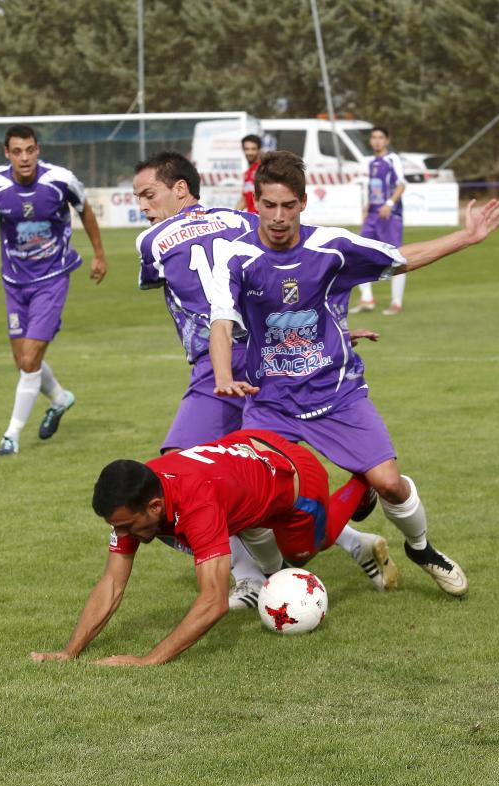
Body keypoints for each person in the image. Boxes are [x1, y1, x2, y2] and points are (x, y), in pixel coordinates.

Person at [209, 150, 499, 597]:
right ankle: (271, 582)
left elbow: (399, 257)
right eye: (269, 205)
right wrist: (224, 373)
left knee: (391, 484)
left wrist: (466, 237)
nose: (279, 216)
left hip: (336, 392)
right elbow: (221, 322)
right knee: (256, 502)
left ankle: (421, 548)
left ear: (303, 203)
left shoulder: (331, 247)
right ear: (255, 203)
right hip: (270, 404)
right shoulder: (235, 256)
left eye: (288, 205)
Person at [133, 151, 397, 609]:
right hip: (270, 360)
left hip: (217, 369)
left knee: (178, 478)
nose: (143, 205)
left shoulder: (152, 240)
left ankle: (255, 580)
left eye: (148, 194)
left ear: (181, 189)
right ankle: (352, 542)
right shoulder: (243, 221)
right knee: (256, 485)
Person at [29, 428, 377, 666]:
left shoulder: (198, 506)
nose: (122, 534)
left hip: (296, 477)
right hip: (246, 455)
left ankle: (362, 484)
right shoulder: (141, 495)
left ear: (152, 506)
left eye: (125, 526)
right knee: (231, 531)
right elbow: (112, 583)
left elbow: (213, 603)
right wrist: (69, 652)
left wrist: (150, 660)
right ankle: (257, 575)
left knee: (302, 553)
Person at [0, 124, 107, 455]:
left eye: (30, 150)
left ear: (38, 150)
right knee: (23, 361)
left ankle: (11, 435)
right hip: (14, 282)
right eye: (17, 151)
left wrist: (98, 254)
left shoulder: (60, 180)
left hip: (52, 278)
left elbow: (86, 212)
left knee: (30, 357)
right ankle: (60, 398)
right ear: (7, 154)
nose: (25, 158)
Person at [350, 127, 407, 315]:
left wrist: (389, 204)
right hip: (373, 214)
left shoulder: (393, 159)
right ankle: (367, 298)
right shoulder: (372, 162)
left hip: (389, 214)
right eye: (374, 137)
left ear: (387, 140)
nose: (377, 141)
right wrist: (367, 207)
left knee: (395, 256)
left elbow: (401, 184)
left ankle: (396, 302)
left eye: (381, 137)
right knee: (359, 252)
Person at [235, 134, 262, 213]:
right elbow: (244, 200)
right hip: (251, 218)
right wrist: (232, 215)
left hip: (262, 219)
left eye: (253, 149)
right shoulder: (247, 173)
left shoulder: (264, 169)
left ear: (259, 150)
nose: (249, 152)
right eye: (247, 149)